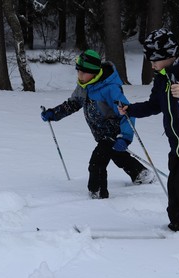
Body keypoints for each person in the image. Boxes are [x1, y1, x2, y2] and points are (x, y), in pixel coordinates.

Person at [118, 28, 179, 231]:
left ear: (170, 55)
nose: (151, 65)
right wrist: (131, 109)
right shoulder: (163, 76)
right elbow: (154, 105)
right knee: (175, 185)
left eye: (154, 60)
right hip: (177, 142)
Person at [41, 49, 155, 199]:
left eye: (83, 72)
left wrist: (125, 137)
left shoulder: (110, 89)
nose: (79, 76)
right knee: (118, 156)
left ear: (94, 72)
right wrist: (54, 113)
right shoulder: (83, 86)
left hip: (114, 132)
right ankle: (141, 173)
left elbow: (127, 113)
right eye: (78, 72)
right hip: (100, 133)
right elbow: (73, 104)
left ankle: (98, 192)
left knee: (97, 161)